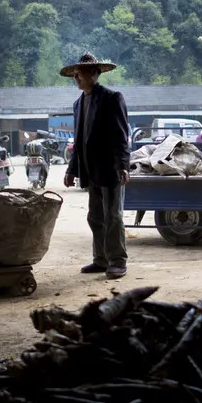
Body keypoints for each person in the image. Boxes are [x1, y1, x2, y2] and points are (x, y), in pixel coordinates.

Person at [62, 52, 131, 279]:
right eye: (74, 75)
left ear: (94, 73)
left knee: (114, 217)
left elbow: (122, 136)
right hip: (91, 171)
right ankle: (100, 259)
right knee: (95, 217)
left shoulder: (112, 98)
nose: (76, 79)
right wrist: (72, 169)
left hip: (110, 168)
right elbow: (79, 139)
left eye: (79, 74)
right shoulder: (78, 103)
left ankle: (117, 261)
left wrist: (122, 165)